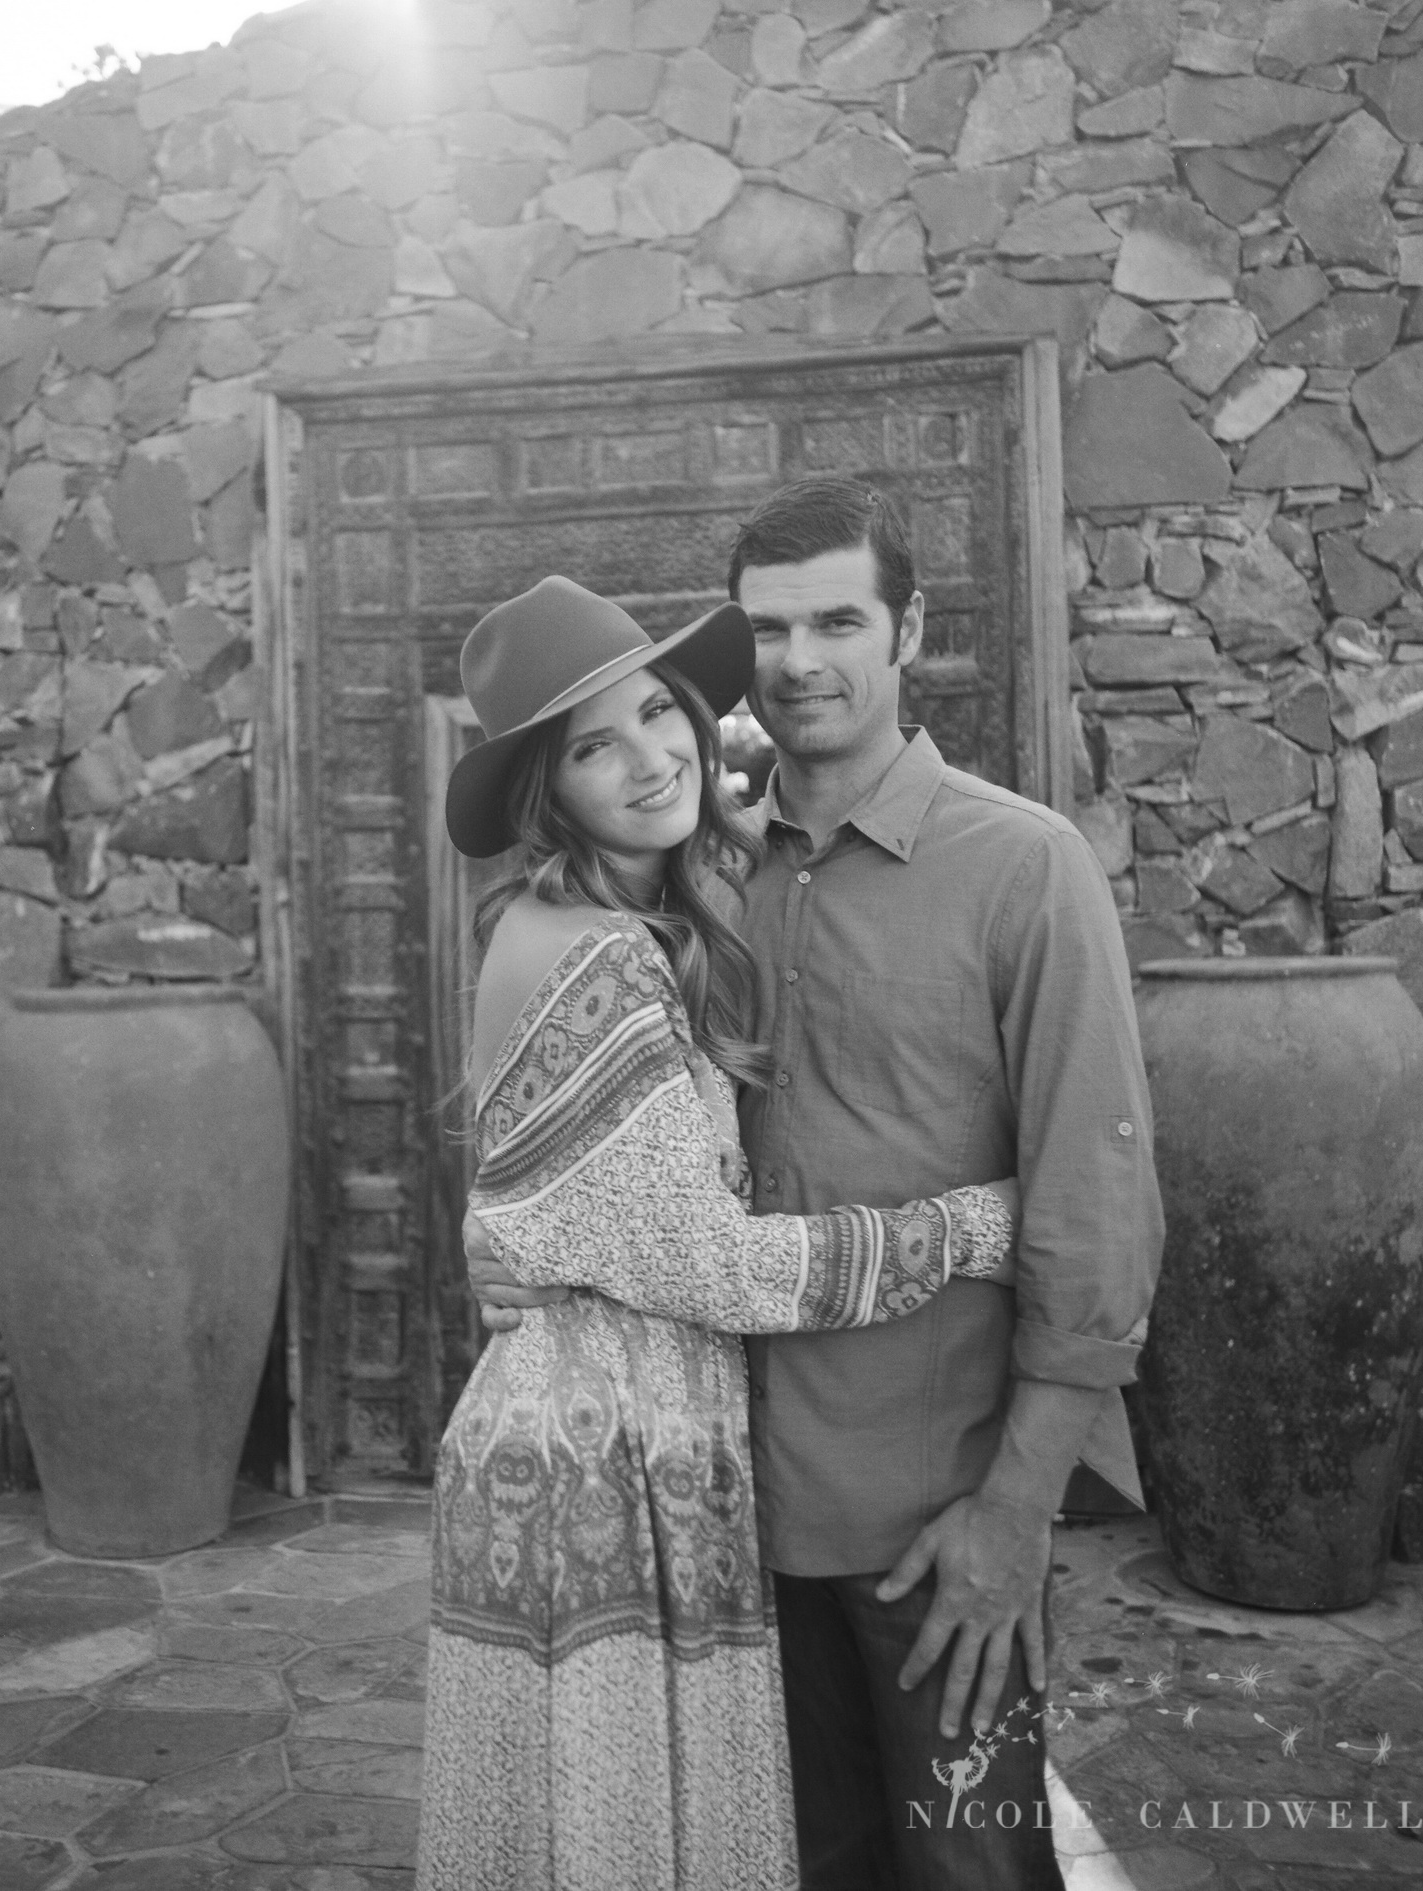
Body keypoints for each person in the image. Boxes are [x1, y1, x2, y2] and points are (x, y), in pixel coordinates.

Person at [476, 479, 1164, 1890]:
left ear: (907, 630)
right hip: (720, 1519)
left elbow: (1097, 1219)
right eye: (770, 630)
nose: (799, 662)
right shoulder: (697, 876)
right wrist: (506, 1239)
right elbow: (571, 1119)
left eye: (839, 621)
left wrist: (1016, 1511)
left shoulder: (1023, 868)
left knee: (974, 1870)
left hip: (933, 1518)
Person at [416, 574, 1023, 1891]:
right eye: (595, 746)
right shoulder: (596, 953)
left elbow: (549, 1180)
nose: (648, 760)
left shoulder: (646, 913)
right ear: (548, 790)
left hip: (624, 1439)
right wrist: (975, 1227)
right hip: (596, 1471)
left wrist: (500, 1224)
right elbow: (713, 1266)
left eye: (656, 713)